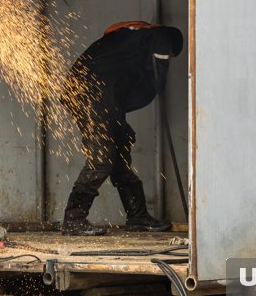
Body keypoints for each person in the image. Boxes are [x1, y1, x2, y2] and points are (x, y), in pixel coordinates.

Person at [61, 21, 183, 236]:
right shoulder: (158, 37)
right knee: (101, 159)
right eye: (170, 56)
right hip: (90, 96)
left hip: (101, 98)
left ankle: (138, 217)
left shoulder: (131, 41)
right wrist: (160, 81)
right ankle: (74, 218)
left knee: (120, 152)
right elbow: (160, 46)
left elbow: (112, 33)